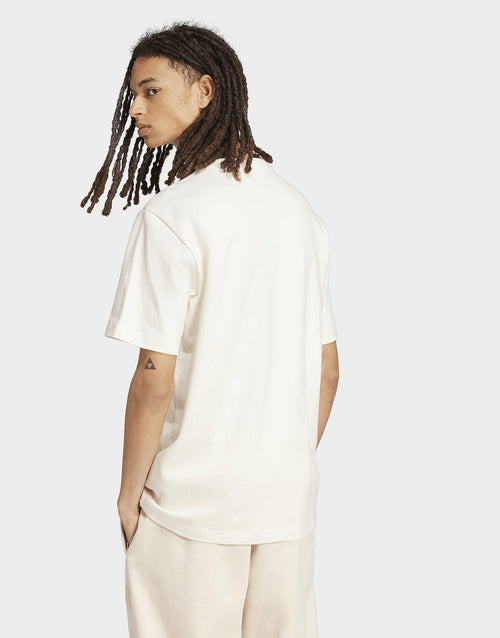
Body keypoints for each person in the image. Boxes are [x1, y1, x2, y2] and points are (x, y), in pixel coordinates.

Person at [82, 20, 340, 638]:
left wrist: (128, 496)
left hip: (189, 509)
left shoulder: (174, 216)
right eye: (132, 95)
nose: (135, 109)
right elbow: (328, 370)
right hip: (283, 503)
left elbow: (154, 379)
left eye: (151, 91)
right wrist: (281, 463)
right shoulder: (298, 211)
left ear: (204, 90)